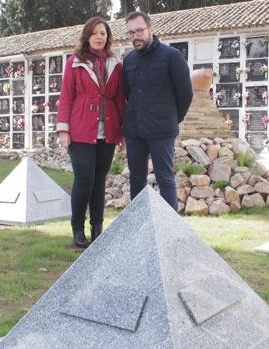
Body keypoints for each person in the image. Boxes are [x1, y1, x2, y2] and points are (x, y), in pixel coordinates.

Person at [57, 17, 125, 248]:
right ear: (87, 36)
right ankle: (78, 229)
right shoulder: (75, 62)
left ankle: (98, 229)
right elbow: (66, 97)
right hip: (81, 129)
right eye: (95, 33)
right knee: (84, 177)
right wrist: (63, 130)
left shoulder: (115, 63)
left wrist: (123, 133)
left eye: (103, 33)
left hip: (108, 129)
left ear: (108, 38)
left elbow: (119, 99)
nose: (99, 37)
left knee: (99, 181)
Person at [122, 11, 193, 210]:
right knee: (136, 178)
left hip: (162, 130)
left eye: (139, 31)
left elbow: (185, 95)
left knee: (165, 177)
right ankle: (139, 225)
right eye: (130, 33)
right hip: (135, 130)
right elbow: (128, 94)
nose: (135, 36)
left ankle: (170, 231)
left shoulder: (172, 57)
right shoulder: (129, 61)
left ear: (151, 29)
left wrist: (171, 120)